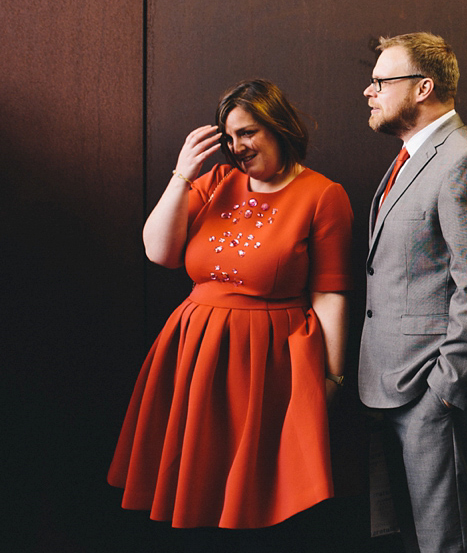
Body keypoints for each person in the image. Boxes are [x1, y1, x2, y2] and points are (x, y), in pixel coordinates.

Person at [108, 80, 353, 540]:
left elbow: (330, 295)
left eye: (249, 132)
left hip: (269, 364)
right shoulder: (216, 183)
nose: (237, 146)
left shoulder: (323, 195)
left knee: (260, 501)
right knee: (195, 487)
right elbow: (159, 252)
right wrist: (182, 174)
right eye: (229, 136)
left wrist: (332, 379)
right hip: (195, 353)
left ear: (280, 127)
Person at [358, 32, 467, 553]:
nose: (369, 91)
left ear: (423, 87)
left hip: (434, 389)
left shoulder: (465, 160)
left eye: (381, 80)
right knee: (416, 537)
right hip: (394, 385)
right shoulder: (412, 155)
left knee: (449, 542)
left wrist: (446, 390)